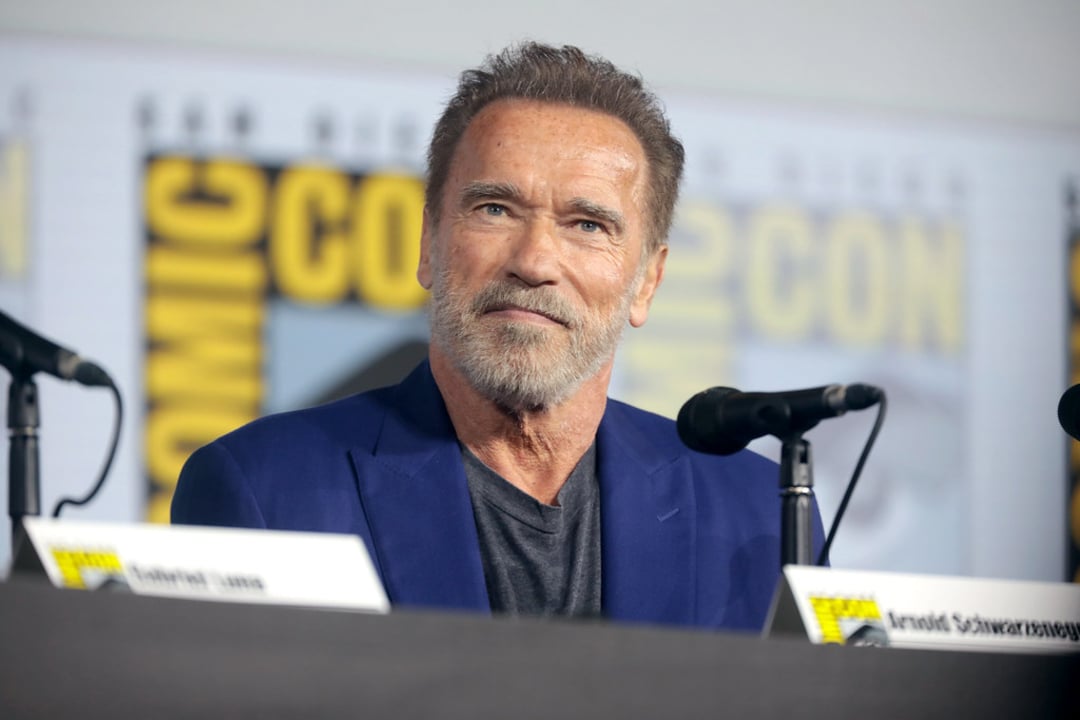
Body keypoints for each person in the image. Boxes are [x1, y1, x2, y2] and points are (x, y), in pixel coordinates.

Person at [172, 42, 824, 631]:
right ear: (430, 242)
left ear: (647, 281)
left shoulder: (760, 515)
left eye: (588, 224)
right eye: (495, 209)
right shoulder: (263, 490)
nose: (535, 261)